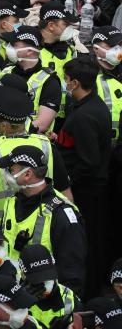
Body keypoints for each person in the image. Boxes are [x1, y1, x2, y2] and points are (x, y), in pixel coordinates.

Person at [0, 81, 70, 224]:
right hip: (44, 228)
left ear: (5, 126)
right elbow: (66, 195)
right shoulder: (47, 146)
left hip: (3, 232)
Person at [0, 145, 86, 296]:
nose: (6, 174)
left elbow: (72, 275)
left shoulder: (62, 214)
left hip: (43, 299)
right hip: (13, 295)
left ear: (27, 174)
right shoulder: (12, 202)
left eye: (11, 170)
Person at [57, 56, 110, 297]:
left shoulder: (85, 116)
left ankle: (86, 292)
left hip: (85, 193)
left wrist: (67, 184)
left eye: (66, 79)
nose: (65, 83)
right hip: (88, 188)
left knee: (83, 243)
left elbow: (89, 162)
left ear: (75, 83)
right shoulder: (89, 106)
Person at [0, 26, 62, 133]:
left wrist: (10, 131)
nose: (8, 47)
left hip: (32, 144)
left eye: (14, 45)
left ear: (29, 51)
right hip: (1, 139)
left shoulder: (50, 81)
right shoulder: (5, 72)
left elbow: (42, 125)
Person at [18, 244, 78, 328]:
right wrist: (19, 305)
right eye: (38, 280)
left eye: (48, 277)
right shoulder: (12, 297)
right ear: (23, 275)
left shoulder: (69, 297)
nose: (45, 285)